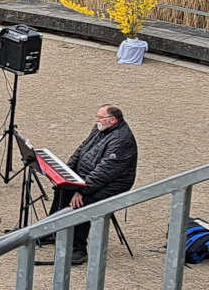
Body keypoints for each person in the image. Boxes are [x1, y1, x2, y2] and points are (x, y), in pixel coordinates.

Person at [48, 104, 140, 266]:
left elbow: (105, 172)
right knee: (61, 189)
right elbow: (82, 149)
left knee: (82, 202)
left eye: (100, 117)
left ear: (112, 120)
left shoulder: (121, 141)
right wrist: (67, 173)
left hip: (112, 184)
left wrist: (82, 191)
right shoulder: (99, 129)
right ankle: (53, 230)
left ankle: (78, 249)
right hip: (89, 178)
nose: (96, 120)